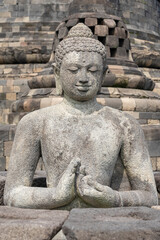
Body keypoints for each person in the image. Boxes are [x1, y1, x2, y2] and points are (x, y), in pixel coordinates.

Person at [4, 24, 158, 209]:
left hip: (108, 225)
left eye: (92, 71)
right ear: (57, 73)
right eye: (73, 69)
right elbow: (12, 194)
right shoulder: (35, 122)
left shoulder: (125, 125)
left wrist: (116, 199)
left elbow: (150, 196)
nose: (83, 78)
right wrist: (56, 196)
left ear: (102, 75)